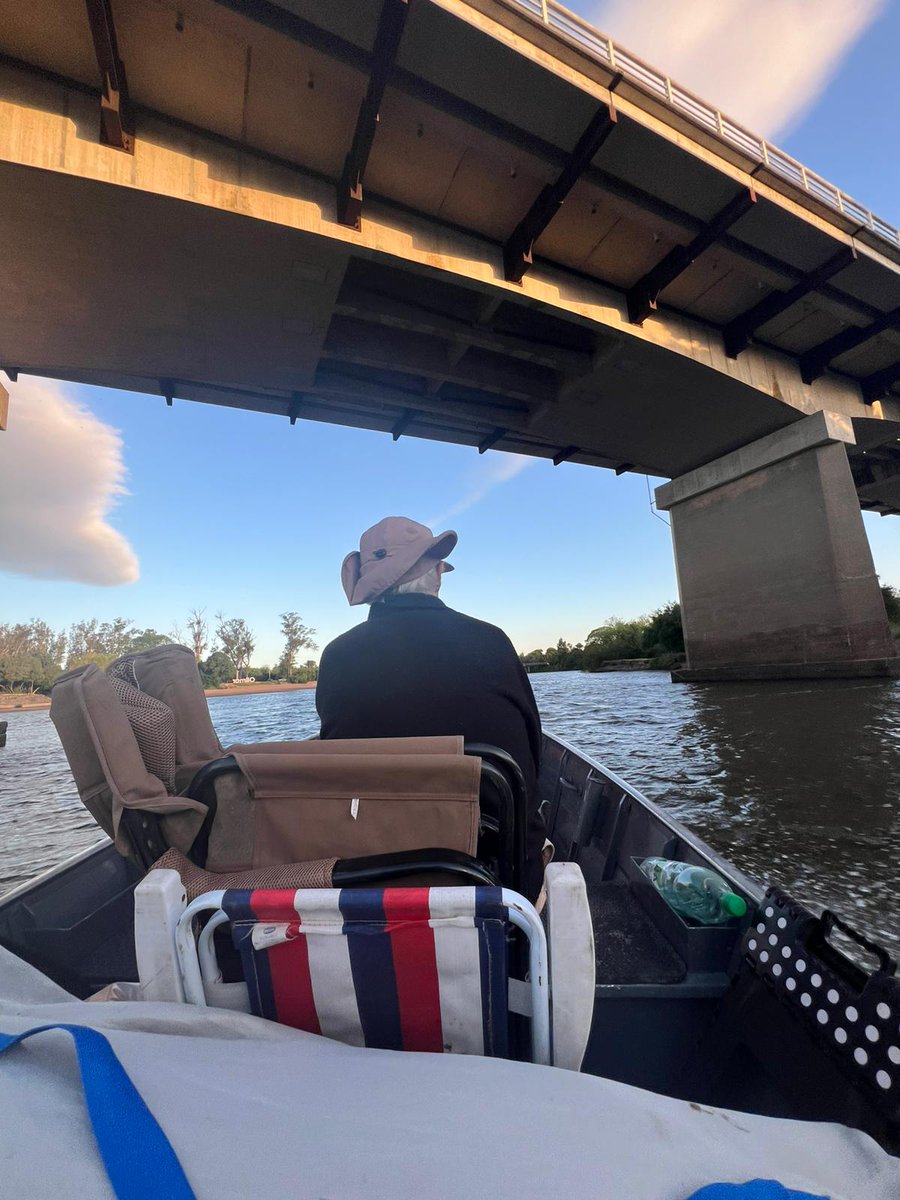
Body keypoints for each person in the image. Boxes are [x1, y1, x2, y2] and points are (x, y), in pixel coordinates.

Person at [316, 516, 545, 901]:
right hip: (500, 885)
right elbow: (533, 761)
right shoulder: (492, 641)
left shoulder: (336, 656)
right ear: (437, 572)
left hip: (374, 883)